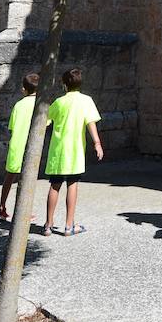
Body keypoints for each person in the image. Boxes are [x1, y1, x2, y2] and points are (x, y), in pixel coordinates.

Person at [42, 67, 103, 237]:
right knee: (72, 185)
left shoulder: (58, 102)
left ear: (63, 84)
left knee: (54, 186)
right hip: (75, 150)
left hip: (57, 150)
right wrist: (97, 143)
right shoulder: (86, 101)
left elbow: (45, 121)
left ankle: (48, 224)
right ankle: (69, 225)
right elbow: (91, 123)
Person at [0, 73, 42, 223]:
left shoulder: (18, 104)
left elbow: (11, 127)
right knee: (26, 180)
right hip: (31, 146)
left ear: (24, 89)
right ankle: (23, 211)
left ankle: (1, 207)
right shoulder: (40, 105)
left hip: (16, 145)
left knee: (9, 177)